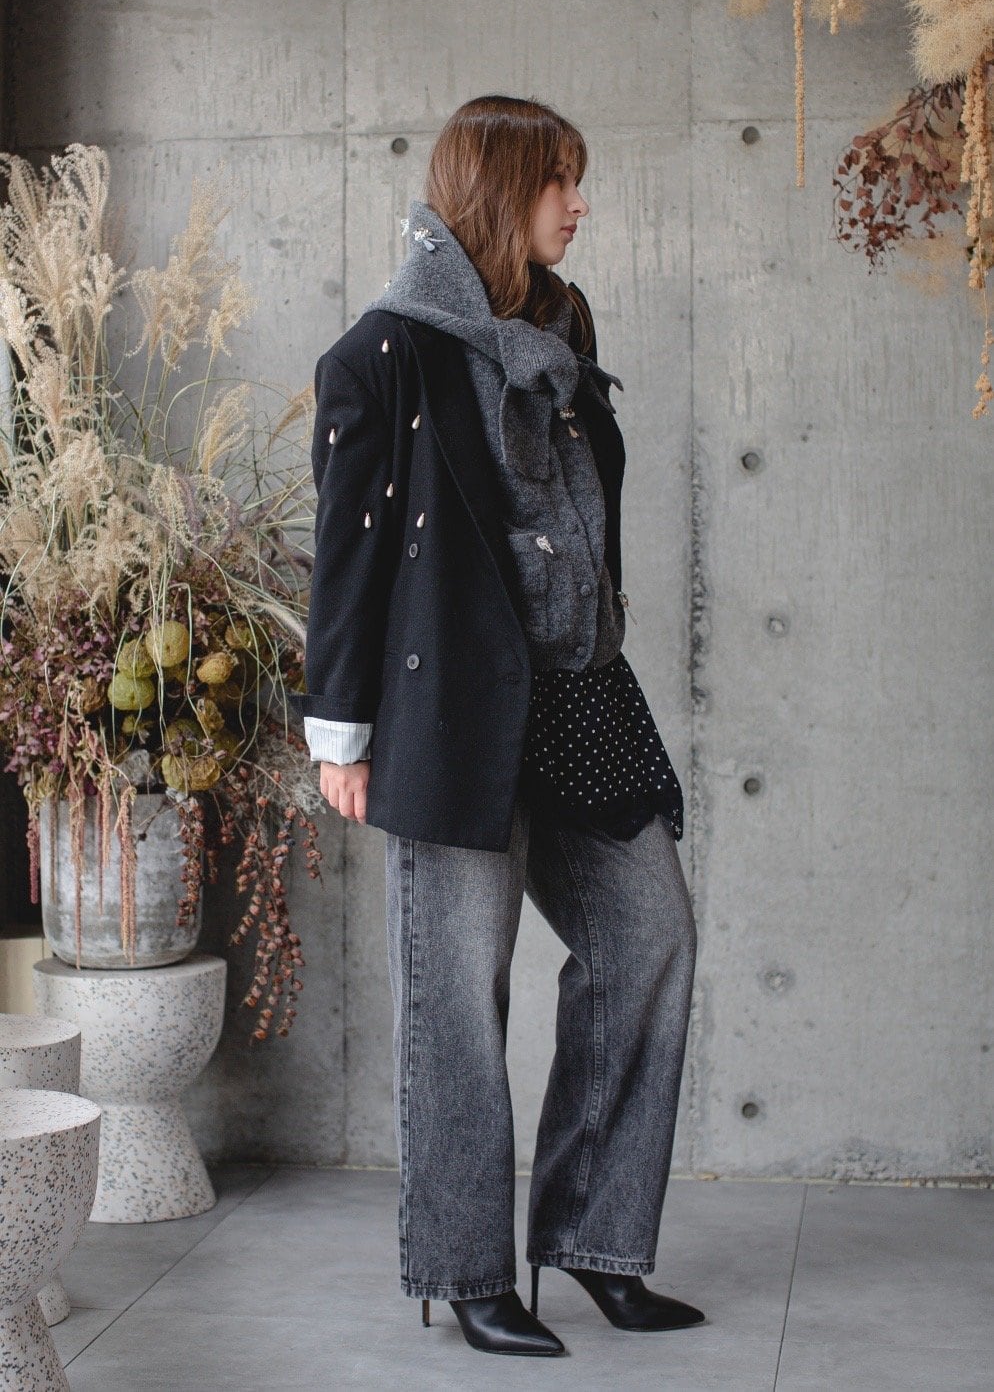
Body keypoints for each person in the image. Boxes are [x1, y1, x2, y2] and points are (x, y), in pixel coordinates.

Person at [290, 94, 704, 1358]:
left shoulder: (560, 326)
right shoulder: (383, 355)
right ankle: (467, 1272)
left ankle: (594, 1241)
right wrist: (339, 734)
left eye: (577, 180)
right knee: (457, 998)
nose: (578, 205)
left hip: (577, 691)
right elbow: (349, 556)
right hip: (450, 708)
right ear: (498, 191)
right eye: (558, 182)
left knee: (647, 939)